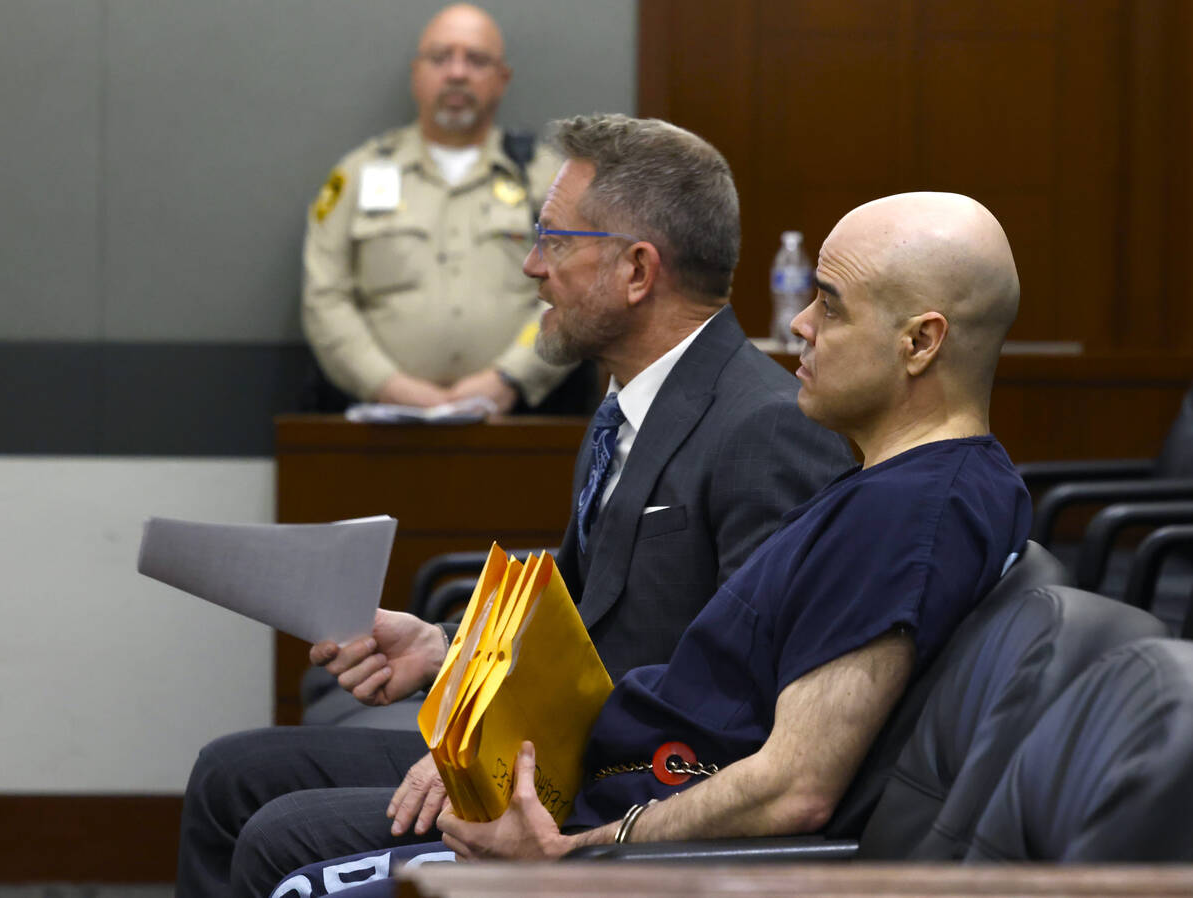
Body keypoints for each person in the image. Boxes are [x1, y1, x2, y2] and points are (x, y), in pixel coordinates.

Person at [267, 189, 1033, 894]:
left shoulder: (908, 515)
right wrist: (452, 651)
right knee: (271, 820)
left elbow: (794, 786)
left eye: (830, 307)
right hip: (608, 781)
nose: (799, 322)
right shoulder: (913, 484)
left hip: (619, 842)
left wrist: (583, 855)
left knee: (282, 861)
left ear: (921, 343)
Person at [177, 114, 852, 898]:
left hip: (607, 799)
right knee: (230, 776)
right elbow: (571, 623)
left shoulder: (765, 430)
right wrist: (443, 649)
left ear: (637, 272)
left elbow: (741, 706)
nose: (533, 267)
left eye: (556, 242)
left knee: (275, 837)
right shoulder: (628, 406)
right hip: (550, 755)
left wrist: (500, 745)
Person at [302, 3, 569, 412]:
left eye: (476, 60)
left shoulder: (548, 181)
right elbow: (326, 297)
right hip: (380, 425)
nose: (457, 72)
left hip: (518, 425)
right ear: (416, 73)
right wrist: (387, 385)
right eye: (440, 58)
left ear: (502, 79)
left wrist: (510, 377)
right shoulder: (357, 175)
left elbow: (574, 289)